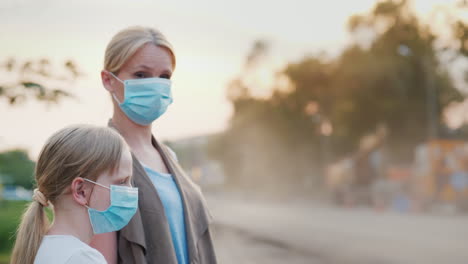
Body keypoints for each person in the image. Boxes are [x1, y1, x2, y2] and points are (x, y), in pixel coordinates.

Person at [92, 26, 217, 264]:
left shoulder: (169, 157)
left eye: (164, 77)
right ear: (108, 80)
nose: (155, 85)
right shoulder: (101, 160)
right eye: (141, 75)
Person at [10, 125, 137, 264]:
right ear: (80, 191)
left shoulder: (40, 248)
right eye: (122, 182)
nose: (130, 190)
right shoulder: (83, 258)